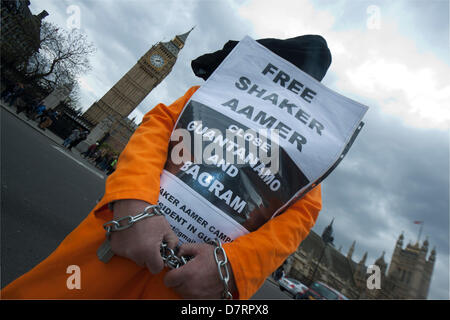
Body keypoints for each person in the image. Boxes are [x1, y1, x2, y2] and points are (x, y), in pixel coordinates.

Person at [1, 34, 331, 299]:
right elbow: (157, 127)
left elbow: (294, 223)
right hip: (112, 246)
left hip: (186, 288)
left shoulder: (306, 169)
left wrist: (233, 266)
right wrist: (134, 199)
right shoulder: (201, 99)